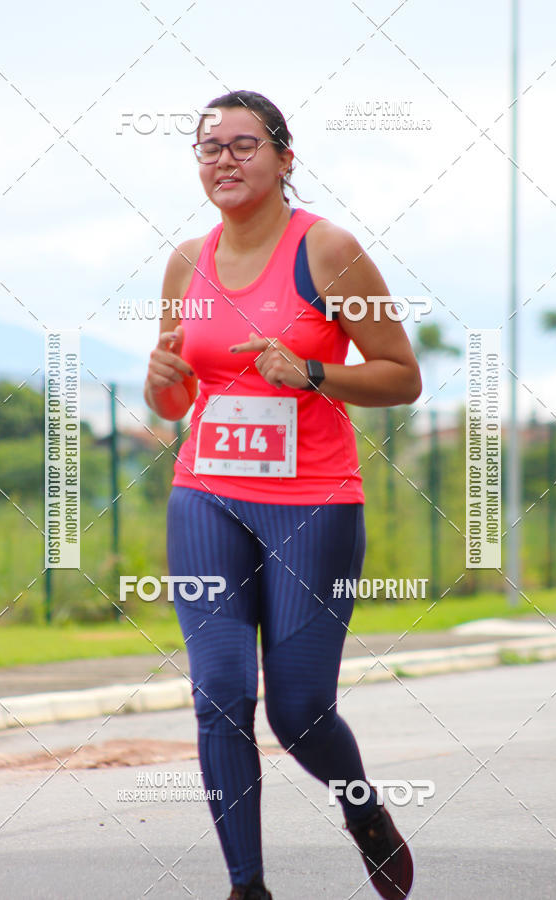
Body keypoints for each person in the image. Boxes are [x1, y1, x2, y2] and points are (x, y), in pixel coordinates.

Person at [144, 90, 422, 900]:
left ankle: (364, 811)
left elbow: (401, 376)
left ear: (284, 158)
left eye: (244, 144)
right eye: (209, 148)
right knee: (221, 694)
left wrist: (310, 371)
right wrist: (160, 385)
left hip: (314, 504)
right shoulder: (184, 262)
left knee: (297, 711)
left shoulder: (327, 250)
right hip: (207, 496)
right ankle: (247, 887)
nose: (224, 160)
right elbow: (176, 400)